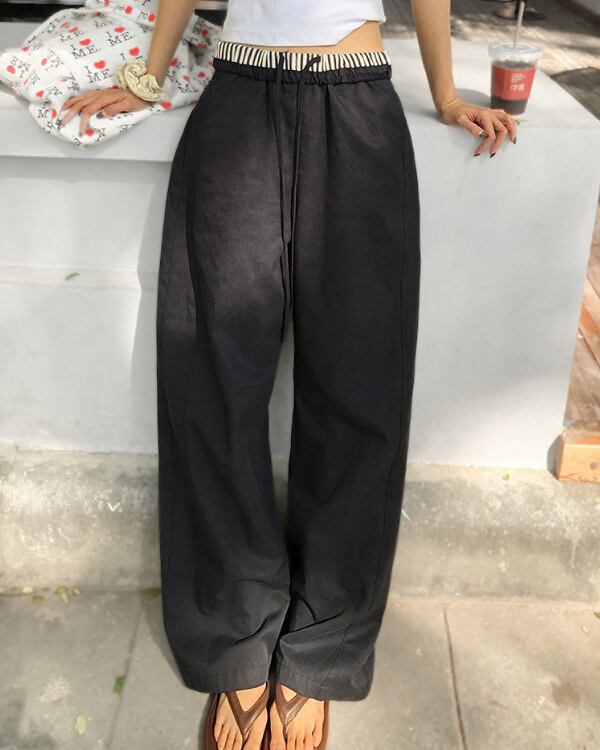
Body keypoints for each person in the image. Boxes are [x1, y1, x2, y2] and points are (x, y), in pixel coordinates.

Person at [60, 2, 518, 749]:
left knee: (360, 389)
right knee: (214, 383)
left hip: (360, 110)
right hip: (238, 102)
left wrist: (445, 95)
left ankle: (324, 649)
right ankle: (233, 637)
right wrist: (147, 77)